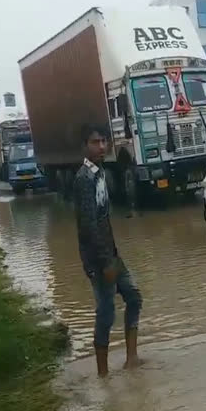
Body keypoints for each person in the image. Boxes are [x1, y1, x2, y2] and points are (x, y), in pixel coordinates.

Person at [74, 124, 142, 376]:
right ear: (85, 146)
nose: (102, 146)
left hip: (110, 254)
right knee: (106, 313)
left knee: (134, 297)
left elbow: (104, 220)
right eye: (95, 142)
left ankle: (132, 359)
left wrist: (113, 256)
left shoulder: (100, 173)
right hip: (98, 260)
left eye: (104, 141)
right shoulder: (84, 179)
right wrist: (105, 264)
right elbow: (89, 226)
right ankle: (103, 375)